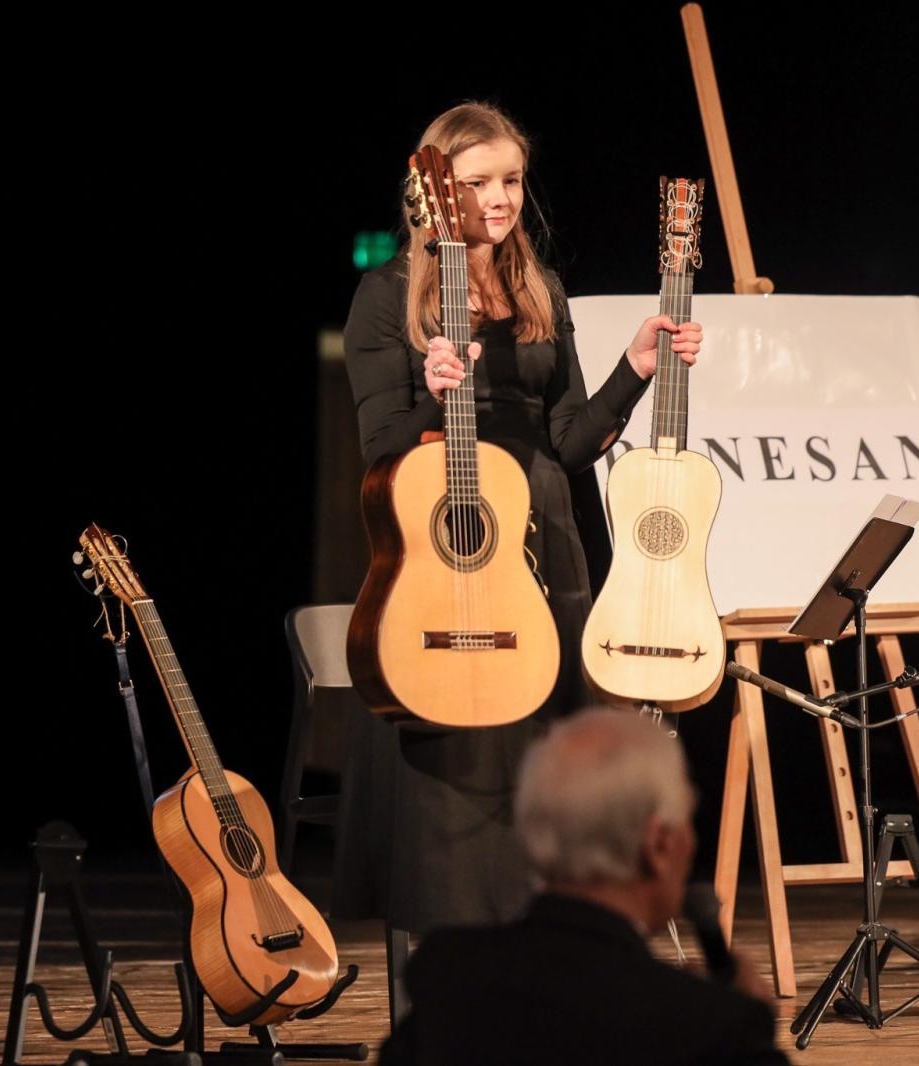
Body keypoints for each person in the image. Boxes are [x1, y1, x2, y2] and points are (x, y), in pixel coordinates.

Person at [341, 101, 701, 933]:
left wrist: (636, 367)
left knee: (556, 780)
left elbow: (572, 441)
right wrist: (431, 389)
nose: (498, 199)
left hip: (551, 550)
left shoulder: (540, 287)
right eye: (476, 183)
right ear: (432, 191)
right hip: (451, 555)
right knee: (460, 800)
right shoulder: (386, 296)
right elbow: (380, 450)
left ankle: (566, 951)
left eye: (510, 179)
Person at [378, 709, 787, 1065]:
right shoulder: (708, 1027)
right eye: (687, 821)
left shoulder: (449, 984)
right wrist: (752, 1029)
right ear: (657, 844)